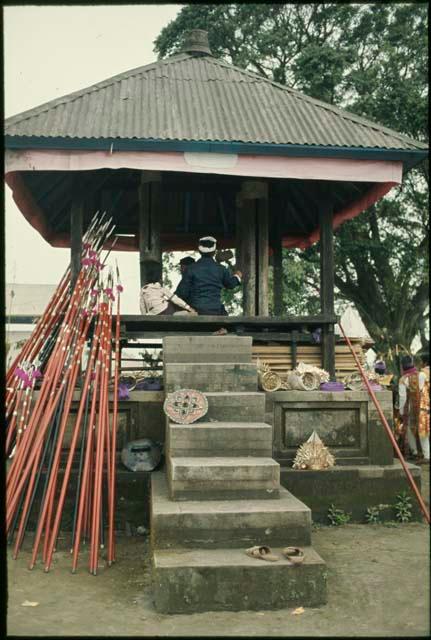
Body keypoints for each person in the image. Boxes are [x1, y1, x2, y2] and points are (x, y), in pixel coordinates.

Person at [175, 236, 242, 316]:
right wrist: (237, 276)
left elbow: (182, 293)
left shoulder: (190, 269)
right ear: (214, 252)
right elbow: (230, 284)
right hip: (216, 311)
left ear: (199, 251)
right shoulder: (221, 269)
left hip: (196, 311)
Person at [398, 353, 430, 463]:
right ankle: (425, 454)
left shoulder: (403, 379)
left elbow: (402, 397)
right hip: (426, 405)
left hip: (415, 408)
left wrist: (401, 412)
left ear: (402, 366)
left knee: (411, 429)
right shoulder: (422, 374)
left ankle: (416, 452)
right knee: (424, 430)